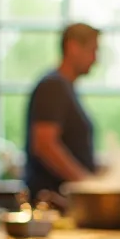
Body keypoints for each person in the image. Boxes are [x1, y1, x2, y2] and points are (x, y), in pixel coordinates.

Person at [24, 23, 99, 198]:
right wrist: (86, 184)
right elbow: (45, 145)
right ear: (73, 47)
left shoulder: (65, 87)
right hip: (52, 201)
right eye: (92, 50)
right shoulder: (54, 86)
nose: (96, 59)